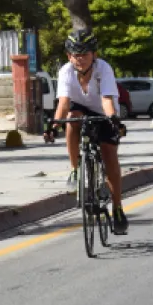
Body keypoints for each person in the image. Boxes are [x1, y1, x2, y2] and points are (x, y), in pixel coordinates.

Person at [52, 28, 128, 234]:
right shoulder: (65, 71)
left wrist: (114, 121)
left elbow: (106, 100)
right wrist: (53, 125)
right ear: (69, 56)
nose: (80, 59)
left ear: (94, 54)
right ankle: (75, 169)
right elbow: (65, 102)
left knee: (109, 154)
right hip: (80, 109)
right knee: (71, 118)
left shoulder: (103, 69)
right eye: (76, 55)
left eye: (85, 54)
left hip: (104, 112)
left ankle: (118, 208)